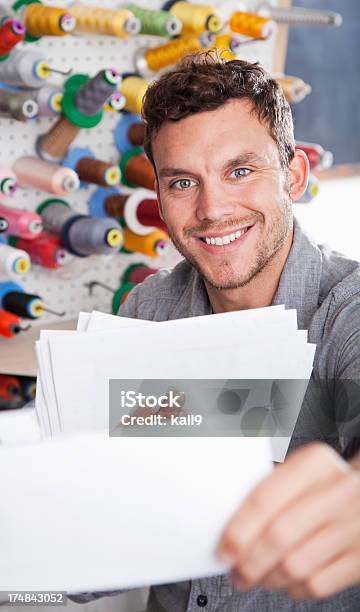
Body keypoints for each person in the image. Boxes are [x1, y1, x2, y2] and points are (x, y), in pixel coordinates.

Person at [71, 53, 360, 611]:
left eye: (240, 171)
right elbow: (93, 535)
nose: (212, 209)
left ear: (294, 175)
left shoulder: (347, 311)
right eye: (183, 182)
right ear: (158, 196)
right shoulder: (146, 311)